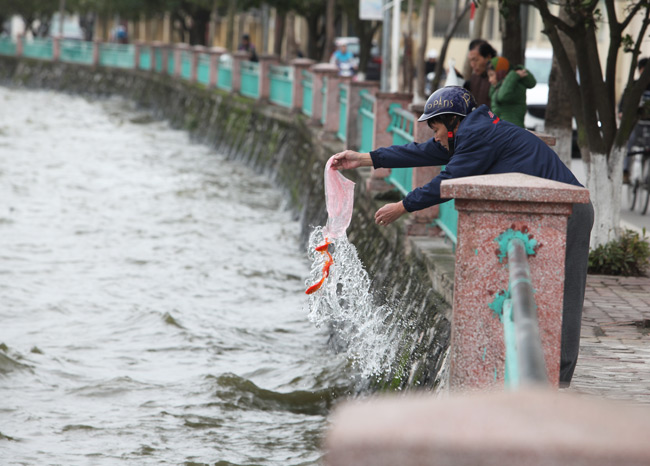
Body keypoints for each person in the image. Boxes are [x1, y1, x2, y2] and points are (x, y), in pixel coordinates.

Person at [330, 86, 594, 387]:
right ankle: (534, 371)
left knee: (564, 299)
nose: (437, 137)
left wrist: (403, 206)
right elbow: (422, 151)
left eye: (438, 128)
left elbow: (448, 181)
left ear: (454, 121)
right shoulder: (471, 130)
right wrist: (363, 159)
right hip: (547, 215)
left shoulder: (477, 136)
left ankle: (558, 380)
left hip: (571, 213)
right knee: (528, 293)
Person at [487, 56, 537, 128]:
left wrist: (513, 75)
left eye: (491, 75)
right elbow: (491, 95)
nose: (490, 80)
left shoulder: (515, 85)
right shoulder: (502, 85)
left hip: (513, 130)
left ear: (500, 73)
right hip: (504, 129)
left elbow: (502, 96)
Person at [463, 39, 497, 107]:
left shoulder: (498, 77)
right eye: (470, 60)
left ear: (488, 57)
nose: (472, 65)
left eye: (475, 60)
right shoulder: (474, 77)